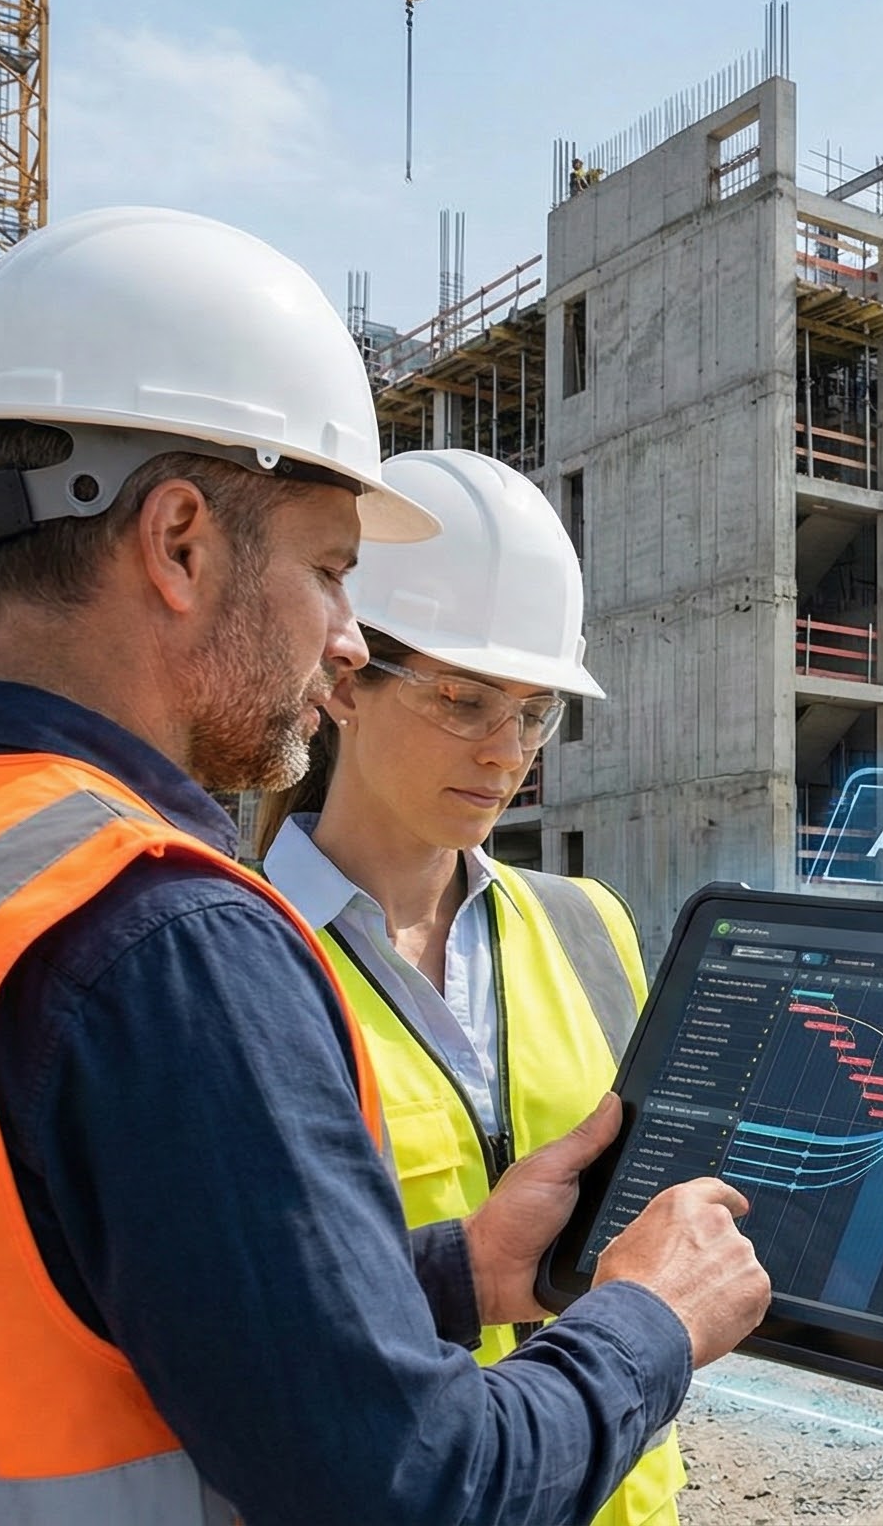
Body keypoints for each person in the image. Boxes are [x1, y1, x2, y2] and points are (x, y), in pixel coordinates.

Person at [0, 205, 770, 1524]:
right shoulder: (159, 937)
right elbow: (414, 1489)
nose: (347, 639)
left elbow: (94, 1295)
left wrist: (449, 1280)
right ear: (179, 544)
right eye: (333, 570)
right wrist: (650, 1321)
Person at [248, 449, 685, 1525]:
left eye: (535, 712)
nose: (508, 753)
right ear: (344, 679)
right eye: (464, 699)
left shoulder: (589, 928)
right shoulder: (243, 950)